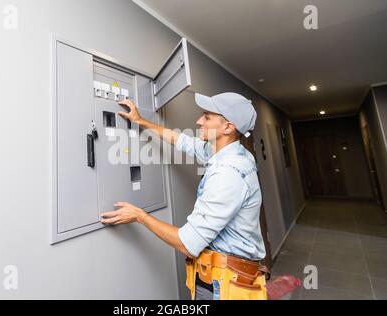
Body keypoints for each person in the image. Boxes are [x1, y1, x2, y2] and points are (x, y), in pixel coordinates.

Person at [100, 92, 268, 300]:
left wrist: (139, 216)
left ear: (228, 127)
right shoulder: (231, 152)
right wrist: (141, 121)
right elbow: (183, 141)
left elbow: (188, 244)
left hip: (224, 284)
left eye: (207, 117)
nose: (198, 121)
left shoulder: (228, 173)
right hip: (224, 275)